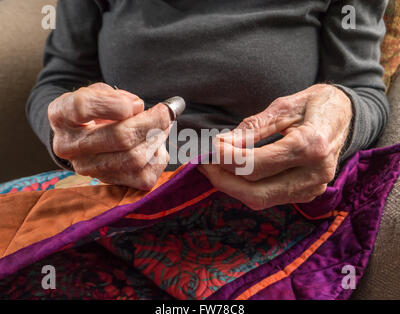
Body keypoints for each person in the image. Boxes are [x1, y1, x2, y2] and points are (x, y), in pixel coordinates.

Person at [27, 0, 389, 210]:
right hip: (115, 199)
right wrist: (73, 136)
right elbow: (59, 82)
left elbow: (363, 90)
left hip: (277, 208)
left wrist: (341, 112)